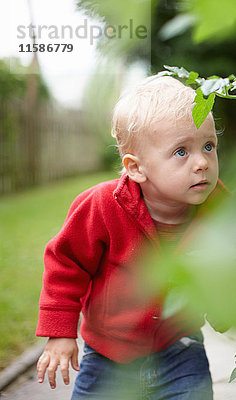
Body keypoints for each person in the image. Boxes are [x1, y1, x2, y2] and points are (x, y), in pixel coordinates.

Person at [35, 74, 226, 399]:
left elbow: (235, 255)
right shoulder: (101, 206)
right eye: (181, 151)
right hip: (108, 356)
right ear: (136, 168)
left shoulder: (220, 207)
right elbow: (66, 263)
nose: (202, 163)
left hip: (180, 347)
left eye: (208, 146)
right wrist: (60, 332)